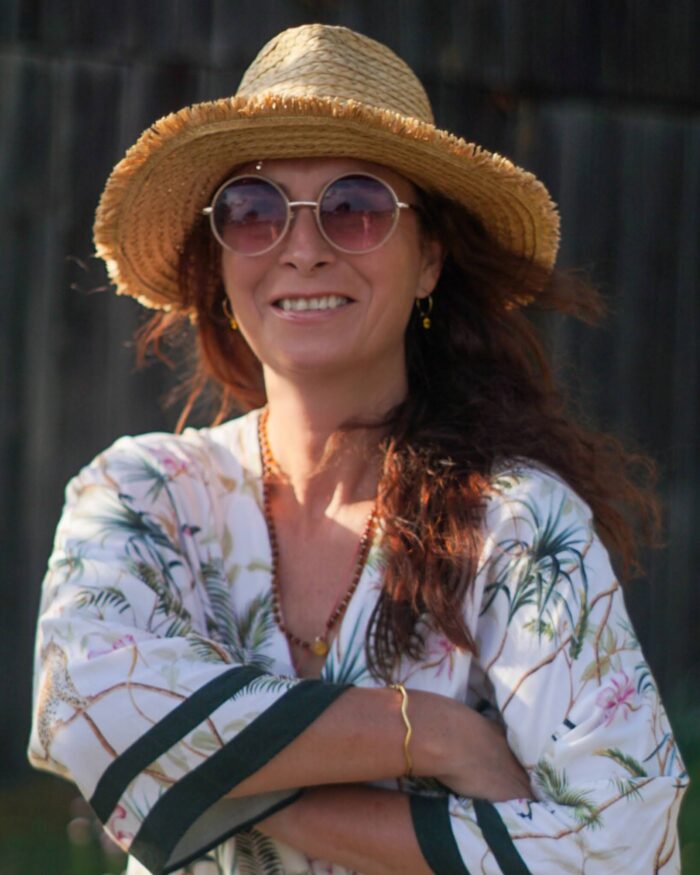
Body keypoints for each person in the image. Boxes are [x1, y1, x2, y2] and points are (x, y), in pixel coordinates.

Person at [29, 23, 687, 875]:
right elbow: (79, 710)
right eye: (255, 210)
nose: (303, 247)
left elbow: (624, 847)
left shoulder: (519, 526)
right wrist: (432, 732)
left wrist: (194, 774)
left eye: (355, 207)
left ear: (428, 261)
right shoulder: (139, 494)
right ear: (222, 261)